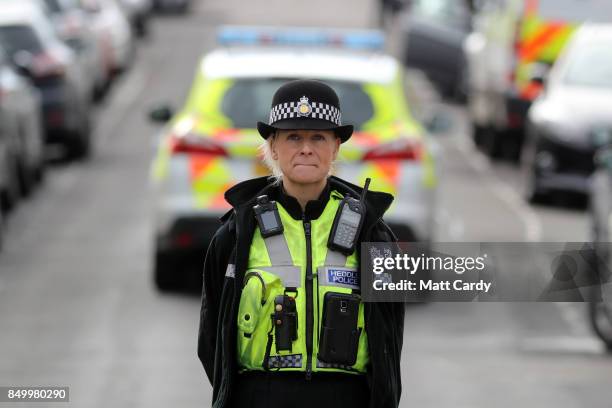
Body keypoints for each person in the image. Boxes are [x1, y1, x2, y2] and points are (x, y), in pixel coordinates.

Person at [197, 79, 404, 408]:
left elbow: (390, 341)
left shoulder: (372, 233)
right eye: (293, 136)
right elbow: (211, 340)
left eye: (318, 137)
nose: (306, 148)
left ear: (335, 147)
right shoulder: (237, 232)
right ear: (273, 146)